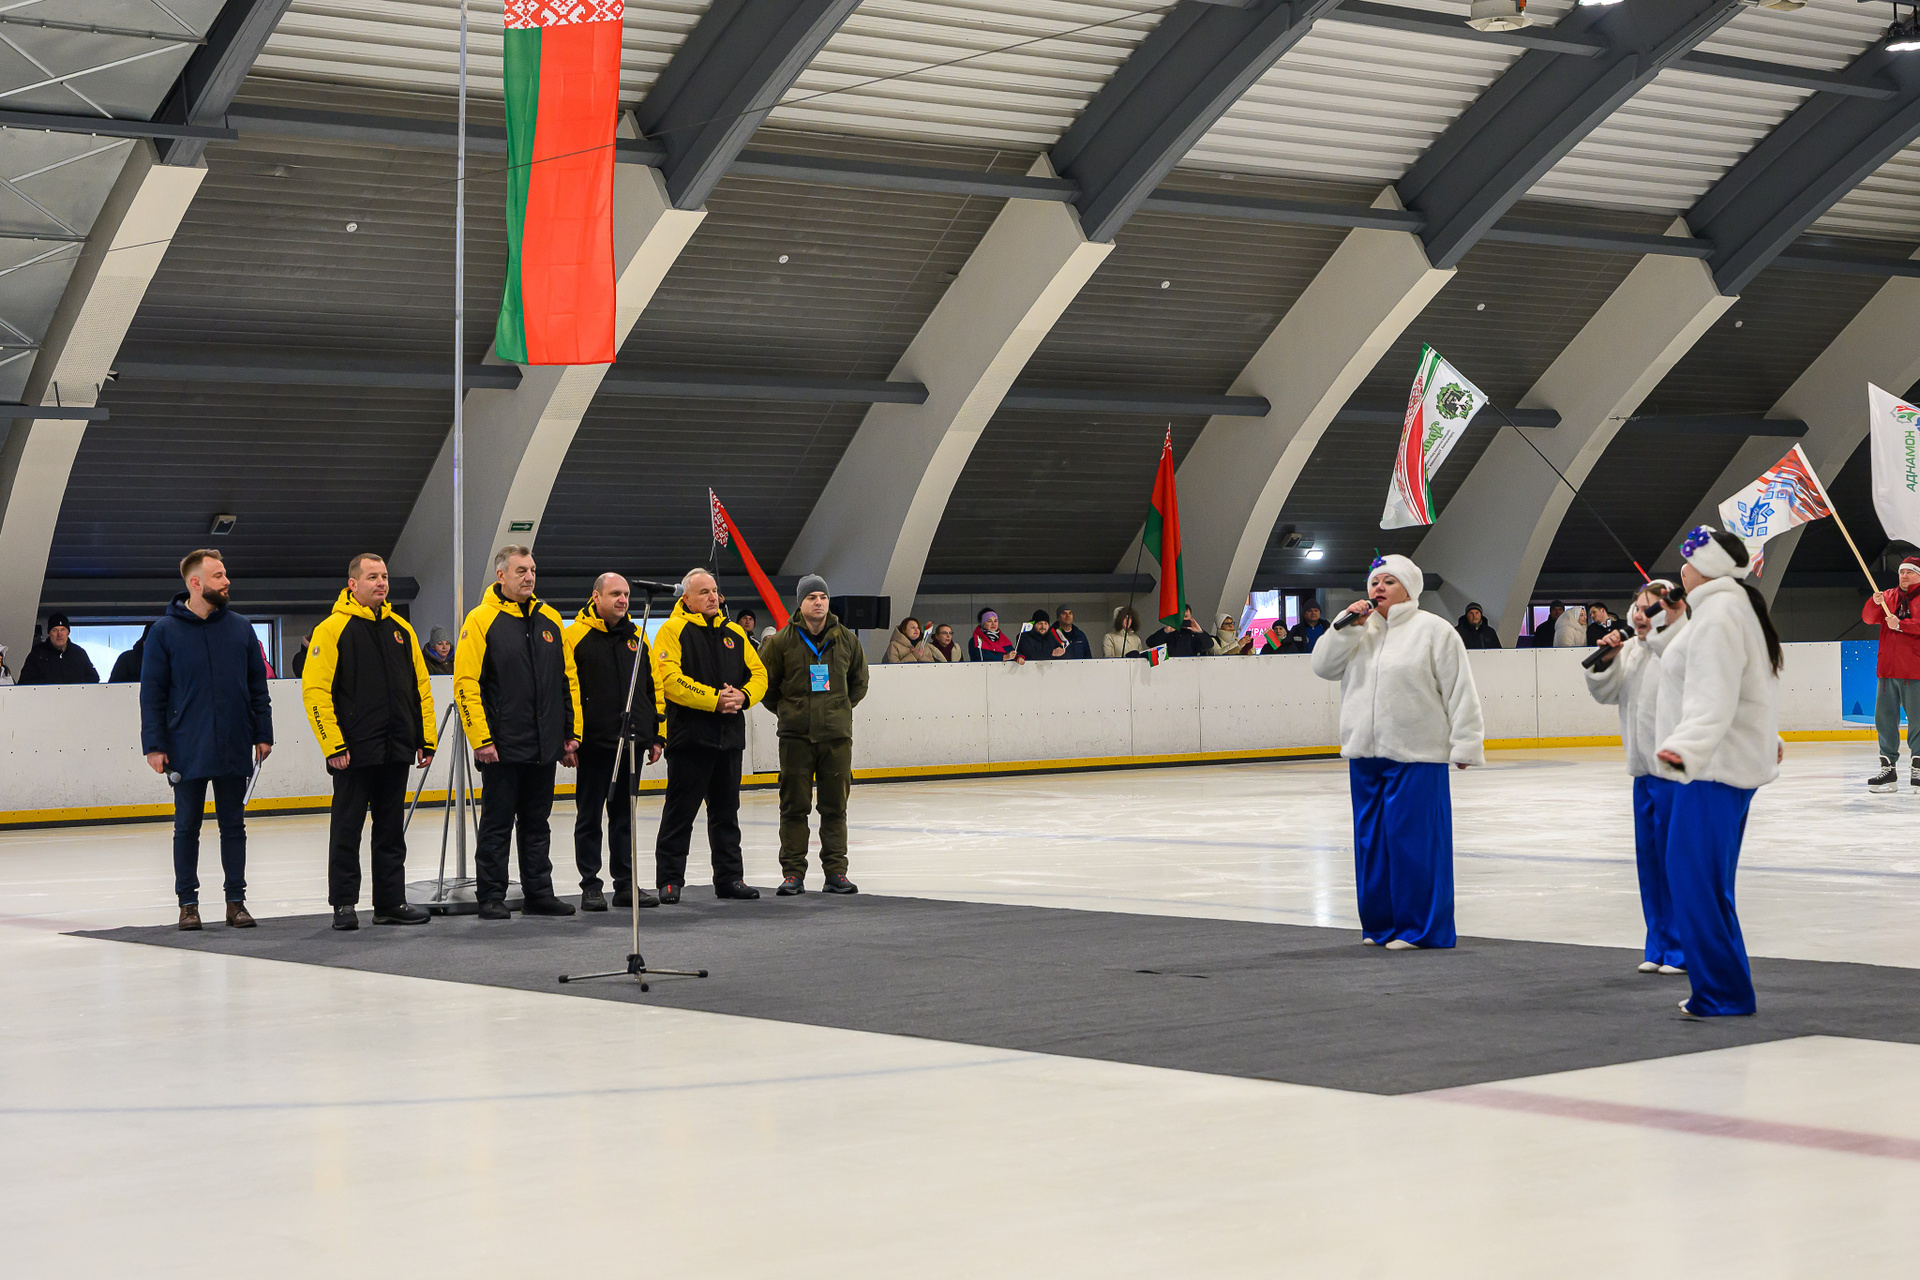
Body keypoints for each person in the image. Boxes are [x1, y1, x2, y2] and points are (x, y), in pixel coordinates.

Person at [1311, 555, 1483, 950]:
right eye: (1375, 582)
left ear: (1409, 589)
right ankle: (1381, 925)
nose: (1379, 588)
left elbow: (1460, 689)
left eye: (1389, 581)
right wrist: (1345, 628)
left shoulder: (1434, 631)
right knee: (1371, 844)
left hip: (1416, 754)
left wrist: (1466, 742)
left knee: (1415, 844)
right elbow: (1322, 667)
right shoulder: (1358, 629)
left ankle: (1421, 929)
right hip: (1364, 753)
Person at [1653, 528, 1784, 1018]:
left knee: (1693, 882)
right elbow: (1749, 684)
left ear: (1705, 568)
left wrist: (1685, 748)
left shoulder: (1720, 613)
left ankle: (1723, 992)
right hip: (1718, 766)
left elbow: (1715, 693)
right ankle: (1725, 987)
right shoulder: (1724, 609)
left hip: (1711, 770)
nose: (1681, 570)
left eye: (1687, 562)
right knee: (1705, 883)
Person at [301, 553, 437, 931]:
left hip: (396, 748)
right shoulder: (331, 629)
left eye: (385, 577)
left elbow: (420, 688)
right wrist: (333, 745)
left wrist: (425, 739)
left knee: (391, 831)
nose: (381, 583)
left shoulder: (402, 630)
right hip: (353, 752)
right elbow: (315, 693)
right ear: (353, 584)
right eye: (373, 577)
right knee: (347, 830)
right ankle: (344, 904)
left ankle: (390, 903)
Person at [140, 550, 273, 931]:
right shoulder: (163, 633)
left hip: (234, 742)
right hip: (186, 746)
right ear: (195, 583)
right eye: (218, 576)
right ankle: (188, 905)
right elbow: (152, 694)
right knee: (186, 828)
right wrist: (154, 745)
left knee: (234, 826)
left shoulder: (241, 628)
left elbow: (257, 687)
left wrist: (263, 733)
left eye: (225, 574)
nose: (227, 581)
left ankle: (236, 902)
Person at [453, 545, 583, 921]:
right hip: (501, 746)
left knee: (537, 824)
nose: (529, 577)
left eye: (532, 570)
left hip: (545, 744)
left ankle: (539, 893)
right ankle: (491, 895)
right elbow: (465, 684)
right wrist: (481, 739)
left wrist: (570, 733)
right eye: (521, 571)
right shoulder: (481, 619)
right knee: (496, 825)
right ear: (501, 576)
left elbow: (567, 679)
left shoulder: (550, 619)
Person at [1585, 580, 1688, 976]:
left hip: (1676, 774)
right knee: (1650, 864)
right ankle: (1658, 944)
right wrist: (1608, 659)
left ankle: (1681, 949)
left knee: (1676, 864)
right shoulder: (1631, 651)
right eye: (1637, 608)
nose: (1641, 615)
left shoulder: (1682, 647)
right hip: (1643, 773)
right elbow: (1605, 693)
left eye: (1651, 608)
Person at [652, 568, 769, 902]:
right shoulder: (672, 630)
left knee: (726, 813)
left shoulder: (734, 632)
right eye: (704, 592)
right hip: (690, 739)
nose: (712, 597)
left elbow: (759, 673)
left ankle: (730, 878)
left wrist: (744, 696)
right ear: (686, 598)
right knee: (680, 813)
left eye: (715, 591)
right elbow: (669, 680)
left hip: (729, 738)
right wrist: (713, 699)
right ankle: (670, 879)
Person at [760, 574, 869, 895]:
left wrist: (837, 709)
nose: (818, 602)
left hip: (836, 737)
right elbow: (766, 686)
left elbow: (859, 683)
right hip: (795, 738)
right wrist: (790, 711)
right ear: (800, 603)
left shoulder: (847, 640)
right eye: (811, 597)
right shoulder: (781, 641)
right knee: (794, 807)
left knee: (835, 808)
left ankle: (836, 872)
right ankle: (793, 873)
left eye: (822, 597)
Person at [563, 573, 664, 912]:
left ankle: (625, 884)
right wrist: (569, 737)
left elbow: (652, 688)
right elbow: (566, 690)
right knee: (589, 818)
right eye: (615, 594)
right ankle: (591, 886)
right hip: (594, 745)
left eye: (626, 594)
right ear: (596, 597)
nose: (623, 600)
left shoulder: (638, 637)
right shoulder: (574, 637)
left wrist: (656, 733)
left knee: (624, 820)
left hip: (633, 742)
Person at [1863, 555, 1920, 792]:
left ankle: (1918, 767)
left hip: (1914, 670)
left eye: (1909, 572)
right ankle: (1888, 769)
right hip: (1887, 671)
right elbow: (1868, 618)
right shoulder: (1888, 596)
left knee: (1918, 721)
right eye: (1901, 572)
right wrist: (1874, 602)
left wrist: (1902, 625)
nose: (1904, 576)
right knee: (1884, 720)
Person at [18, 612, 99, 685]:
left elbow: (93, 679)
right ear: (49, 633)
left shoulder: (79, 653)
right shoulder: (37, 653)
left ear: (68, 632)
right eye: (55, 630)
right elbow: (24, 682)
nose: (59, 634)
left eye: (63, 630)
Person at [1142, 607, 1214, 658]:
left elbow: (1209, 645)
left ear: (1191, 617)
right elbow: (1150, 643)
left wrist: (1200, 632)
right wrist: (1165, 631)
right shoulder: (1169, 632)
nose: (1183, 619)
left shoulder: (1194, 634)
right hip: (1169, 668)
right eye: (1180, 616)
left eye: (1186, 616)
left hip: (1190, 668)